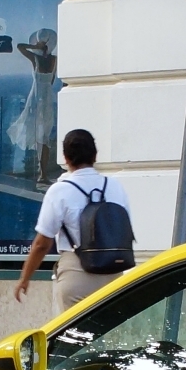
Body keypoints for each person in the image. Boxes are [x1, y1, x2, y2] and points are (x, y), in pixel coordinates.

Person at [14, 128, 133, 312]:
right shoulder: (115, 187)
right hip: (113, 276)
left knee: (74, 338)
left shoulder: (60, 190)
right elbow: (125, 231)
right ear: (95, 155)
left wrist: (25, 277)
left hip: (77, 274)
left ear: (66, 158)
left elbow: (42, 244)